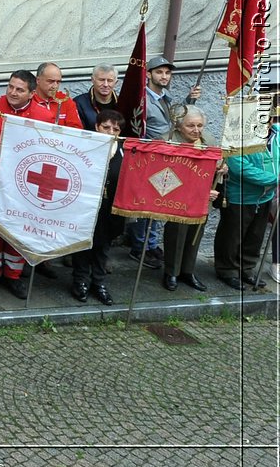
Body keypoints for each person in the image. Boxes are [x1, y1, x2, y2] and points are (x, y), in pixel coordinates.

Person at [0, 70, 40, 296]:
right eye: (10, 86)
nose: (13, 92)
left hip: (25, 187)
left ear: (32, 93)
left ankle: (13, 275)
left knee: (17, 229)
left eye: (20, 89)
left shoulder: (43, 116)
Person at [135, 56, 203, 268]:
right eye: (159, 72)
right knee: (144, 206)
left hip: (166, 159)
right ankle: (139, 247)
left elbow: (174, 120)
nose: (164, 76)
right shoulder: (143, 100)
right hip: (150, 158)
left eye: (167, 73)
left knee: (159, 203)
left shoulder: (166, 96)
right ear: (148, 75)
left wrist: (188, 101)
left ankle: (152, 243)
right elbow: (159, 131)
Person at [161, 104, 221, 292]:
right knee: (176, 234)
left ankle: (187, 271)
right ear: (179, 126)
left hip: (203, 199)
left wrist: (221, 169)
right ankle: (171, 272)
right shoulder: (167, 140)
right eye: (191, 126)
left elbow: (215, 164)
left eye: (200, 126)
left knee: (196, 234)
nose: (197, 130)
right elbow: (165, 176)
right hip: (177, 198)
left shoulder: (209, 139)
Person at [216, 117, 279, 291]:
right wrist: (274, 179)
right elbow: (239, 166)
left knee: (256, 235)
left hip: (266, 195)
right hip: (241, 195)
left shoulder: (276, 134)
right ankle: (227, 270)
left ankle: (246, 268)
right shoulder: (237, 137)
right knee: (232, 235)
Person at [71, 107, 126, 305]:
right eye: (107, 127)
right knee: (83, 246)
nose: (111, 132)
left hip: (109, 208)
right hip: (86, 206)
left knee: (103, 247)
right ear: (96, 126)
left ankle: (99, 282)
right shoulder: (85, 147)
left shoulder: (124, 150)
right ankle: (80, 281)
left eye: (116, 129)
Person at [32, 62, 82, 127]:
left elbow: (76, 130)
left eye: (58, 82)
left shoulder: (66, 101)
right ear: (38, 80)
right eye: (50, 81)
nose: (55, 86)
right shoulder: (27, 99)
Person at [72, 64, 119, 132]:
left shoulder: (122, 103)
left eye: (109, 81)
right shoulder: (79, 103)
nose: (105, 84)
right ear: (92, 80)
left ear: (116, 82)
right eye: (101, 80)